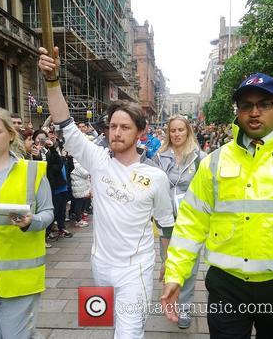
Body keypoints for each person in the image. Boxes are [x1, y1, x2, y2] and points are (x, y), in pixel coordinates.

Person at [38, 46, 174, 338]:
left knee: (127, 334)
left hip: (136, 270)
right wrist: (52, 80)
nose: (116, 132)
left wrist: (169, 266)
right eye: (112, 126)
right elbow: (66, 125)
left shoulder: (156, 178)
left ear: (141, 133)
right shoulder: (98, 161)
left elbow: (166, 225)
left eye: (125, 127)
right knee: (108, 325)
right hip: (100, 266)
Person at [161, 73, 273, 339]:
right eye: (246, 105)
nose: (254, 112)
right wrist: (175, 274)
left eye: (264, 104)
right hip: (227, 288)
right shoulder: (214, 162)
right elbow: (190, 224)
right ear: (237, 112)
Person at [0, 107, 54, 338]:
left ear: (11, 135)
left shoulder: (32, 171)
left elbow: (48, 212)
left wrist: (30, 221)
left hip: (19, 279)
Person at [153, 115, 206, 329]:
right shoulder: (159, 157)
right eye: (172, 130)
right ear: (168, 133)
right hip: (166, 220)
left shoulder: (199, 157)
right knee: (167, 263)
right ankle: (171, 301)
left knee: (189, 266)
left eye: (180, 130)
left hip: (190, 221)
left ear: (188, 132)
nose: (176, 134)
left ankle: (184, 307)